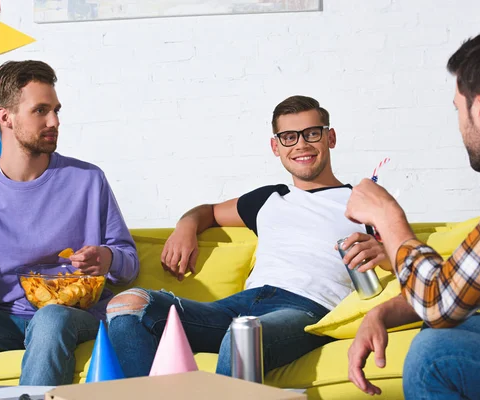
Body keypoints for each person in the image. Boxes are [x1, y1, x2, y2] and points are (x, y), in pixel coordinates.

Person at [106, 95, 391, 377]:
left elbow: (407, 259)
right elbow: (208, 212)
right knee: (127, 306)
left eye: (312, 134)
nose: (301, 144)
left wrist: (384, 253)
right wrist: (186, 228)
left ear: (330, 138)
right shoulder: (269, 198)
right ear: (275, 146)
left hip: (307, 311)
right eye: (289, 137)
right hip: (241, 305)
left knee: (242, 335)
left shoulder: (363, 200)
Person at [345, 26, 480, 399]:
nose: (460, 124)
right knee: (442, 332)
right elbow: (457, 291)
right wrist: (381, 313)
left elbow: (439, 302)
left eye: (457, 109)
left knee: (435, 356)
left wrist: (388, 215)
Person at [0, 60, 139, 385]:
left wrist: (107, 258)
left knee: (50, 318)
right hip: (1, 317)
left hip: (75, 315)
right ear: (6, 117)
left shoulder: (87, 180)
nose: (54, 121)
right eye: (41, 111)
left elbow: (129, 263)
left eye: (56, 110)